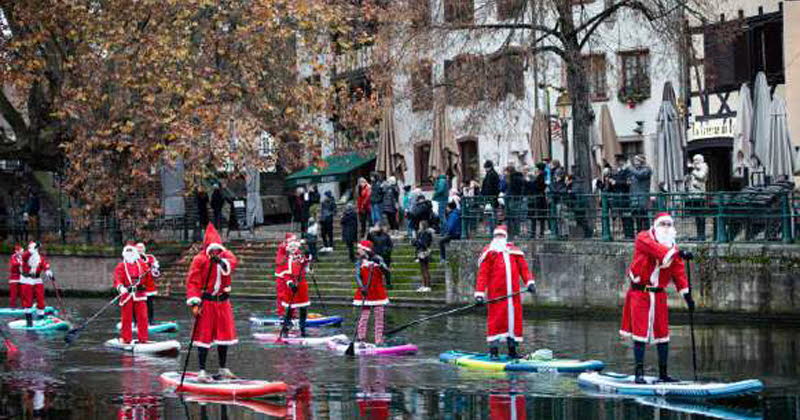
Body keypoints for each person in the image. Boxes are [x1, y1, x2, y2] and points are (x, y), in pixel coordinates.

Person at [620, 213, 695, 383]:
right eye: (663, 224)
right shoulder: (643, 238)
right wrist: (679, 253)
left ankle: (663, 374)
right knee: (640, 333)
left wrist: (687, 296)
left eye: (670, 224)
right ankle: (639, 374)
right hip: (640, 293)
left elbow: (678, 272)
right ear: (655, 225)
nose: (667, 228)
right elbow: (657, 251)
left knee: (663, 334)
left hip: (659, 294)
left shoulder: (672, 247)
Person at [185, 223, 239, 382]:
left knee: (225, 335)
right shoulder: (199, 260)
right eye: (212, 250)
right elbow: (193, 282)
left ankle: (223, 368)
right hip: (206, 302)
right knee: (204, 335)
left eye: (218, 249)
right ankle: (201, 370)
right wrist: (195, 303)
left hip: (222, 302)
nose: (215, 252)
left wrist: (220, 262)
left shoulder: (226, 257)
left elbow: (232, 263)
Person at [474, 225, 536, 359]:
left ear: (506, 237)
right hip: (496, 296)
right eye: (497, 236)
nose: (499, 239)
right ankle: (494, 351)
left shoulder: (515, 252)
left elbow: (524, 270)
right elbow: (482, 275)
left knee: (513, 323)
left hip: (513, 296)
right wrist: (479, 294)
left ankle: (512, 351)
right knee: (495, 322)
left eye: (501, 236)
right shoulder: (489, 253)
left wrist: (530, 283)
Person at [353, 241, 390, 344]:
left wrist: (380, 264)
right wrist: (362, 287)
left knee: (379, 317)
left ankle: (378, 340)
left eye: (359, 249)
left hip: (378, 292)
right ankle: (361, 339)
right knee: (364, 317)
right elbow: (357, 276)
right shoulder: (359, 262)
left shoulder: (378, 258)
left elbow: (386, 272)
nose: (357, 251)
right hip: (365, 291)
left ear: (365, 249)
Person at [114, 244, 150, 344]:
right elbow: (117, 279)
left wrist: (154, 270)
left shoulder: (142, 264)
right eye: (127, 252)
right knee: (126, 318)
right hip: (127, 295)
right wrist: (121, 287)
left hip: (140, 294)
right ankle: (126, 339)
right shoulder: (121, 266)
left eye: (131, 252)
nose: (129, 254)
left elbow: (149, 277)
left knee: (143, 317)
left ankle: (143, 339)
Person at [280, 239, 311, 337]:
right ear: (289, 248)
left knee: (303, 309)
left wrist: (307, 254)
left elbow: (307, 261)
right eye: (291, 247)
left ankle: (303, 329)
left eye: (295, 247)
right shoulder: (285, 259)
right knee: (290, 310)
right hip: (291, 286)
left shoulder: (300, 257)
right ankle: (285, 329)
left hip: (301, 285)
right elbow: (285, 274)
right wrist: (290, 284)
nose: (293, 248)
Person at [21, 241, 52, 327]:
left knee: (40, 299)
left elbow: (45, 265)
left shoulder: (39, 258)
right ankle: (29, 321)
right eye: (35, 248)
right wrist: (33, 249)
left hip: (37, 279)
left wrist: (49, 273)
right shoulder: (26, 257)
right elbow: (26, 255)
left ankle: (40, 319)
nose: (37, 250)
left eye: (37, 249)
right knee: (28, 300)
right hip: (27, 280)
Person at [609, 154, 633, 239]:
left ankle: (629, 235)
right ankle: (625, 234)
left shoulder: (627, 171)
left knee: (627, 216)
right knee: (621, 216)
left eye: (618, 161)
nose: (617, 163)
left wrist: (616, 182)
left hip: (624, 196)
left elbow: (628, 183)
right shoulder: (615, 171)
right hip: (617, 197)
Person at [686, 154, 709, 241]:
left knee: (700, 215)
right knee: (696, 215)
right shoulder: (695, 168)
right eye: (694, 160)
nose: (695, 161)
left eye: (696, 160)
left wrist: (693, 171)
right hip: (694, 195)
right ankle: (699, 235)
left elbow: (701, 176)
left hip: (700, 194)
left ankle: (702, 235)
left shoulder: (704, 166)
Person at [136, 242, 161, 322]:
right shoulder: (133, 259)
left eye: (141, 248)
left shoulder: (150, 258)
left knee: (149, 304)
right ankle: (137, 321)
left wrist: (154, 268)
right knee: (138, 304)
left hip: (149, 284)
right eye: (138, 248)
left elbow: (155, 272)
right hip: (138, 285)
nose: (140, 250)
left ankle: (150, 320)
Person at [274, 233, 296, 316]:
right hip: (282, 275)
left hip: (292, 275)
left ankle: (293, 313)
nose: (293, 242)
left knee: (293, 294)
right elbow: (284, 248)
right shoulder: (283, 247)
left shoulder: (295, 249)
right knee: (281, 295)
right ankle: (281, 313)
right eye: (292, 240)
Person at [629, 154, 652, 233]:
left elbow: (640, 175)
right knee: (637, 217)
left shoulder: (647, 169)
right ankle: (639, 235)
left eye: (637, 160)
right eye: (634, 161)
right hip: (634, 197)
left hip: (643, 197)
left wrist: (631, 169)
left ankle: (647, 233)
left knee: (644, 216)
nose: (635, 162)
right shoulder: (634, 171)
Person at [413, 221, 434, 292]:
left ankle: (428, 286)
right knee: (422, 270)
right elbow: (417, 243)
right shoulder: (420, 233)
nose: (419, 226)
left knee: (425, 269)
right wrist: (415, 241)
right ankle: (423, 285)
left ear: (423, 226)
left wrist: (418, 242)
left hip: (424, 252)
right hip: (420, 252)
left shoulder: (427, 233)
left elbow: (425, 243)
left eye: (420, 225)